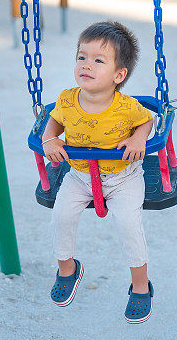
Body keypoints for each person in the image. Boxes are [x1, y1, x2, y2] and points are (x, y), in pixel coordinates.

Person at [41, 21, 156, 323]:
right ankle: (68, 270)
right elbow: (54, 121)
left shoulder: (127, 107)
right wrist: (49, 138)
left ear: (119, 75)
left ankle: (141, 286)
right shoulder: (67, 99)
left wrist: (138, 138)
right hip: (79, 175)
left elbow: (147, 121)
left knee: (129, 224)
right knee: (61, 216)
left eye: (98, 60)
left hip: (123, 178)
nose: (86, 65)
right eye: (81, 57)